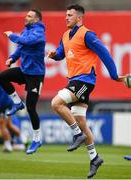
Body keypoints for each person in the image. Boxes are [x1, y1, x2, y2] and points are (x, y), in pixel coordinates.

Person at [48, 4, 127, 178]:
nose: (66, 17)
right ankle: (95, 158)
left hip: (85, 80)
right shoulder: (65, 35)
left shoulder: (88, 35)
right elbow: (62, 53)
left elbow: (104, 53)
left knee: (56, 103)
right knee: (81, 121)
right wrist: (55, 55)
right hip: (75, 80)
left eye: (70, 15)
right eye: (66, 14)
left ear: (79, 18)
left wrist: (114, 76)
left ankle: (77, 134)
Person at [0, 9, 46, 154]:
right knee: (2, 77)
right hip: (24, 71)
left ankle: (37, 139)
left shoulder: (39, 33)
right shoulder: (26, 30)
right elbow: (21, 47)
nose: (26, 17)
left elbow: (27, 41)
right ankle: (17, 102)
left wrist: (12, 35)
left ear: (36, 20)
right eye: (26, 15)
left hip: (36, 76)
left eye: (29, 16)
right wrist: (12, 58)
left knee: (31, 108)